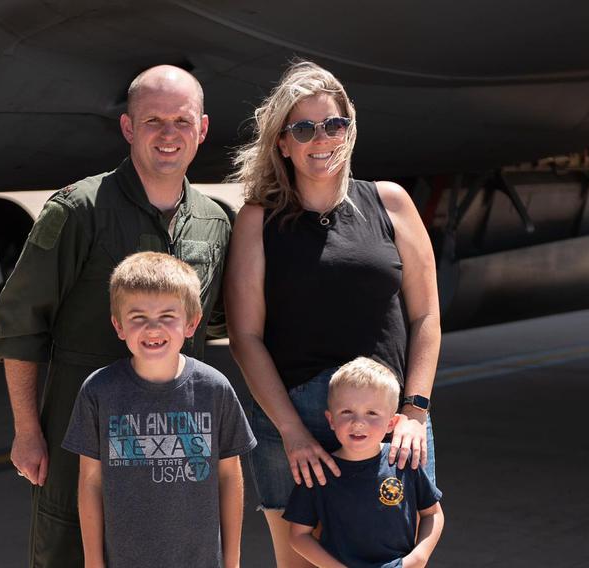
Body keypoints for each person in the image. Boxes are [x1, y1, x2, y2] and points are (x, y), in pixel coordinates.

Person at [0, 65, 231, 567]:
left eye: (182, 121)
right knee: (71, 547)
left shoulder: (214, 222)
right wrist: (27, 430)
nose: (169, 134)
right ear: (128, 127)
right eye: (153, 121)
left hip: (177, 441)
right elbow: (20, 327)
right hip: (83, 429)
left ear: (202, 129)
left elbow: (220, 324)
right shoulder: (80, 209)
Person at [226, 60, 441, 567]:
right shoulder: (258, 221)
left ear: (350, 128)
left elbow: (426, 317)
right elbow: (245, 337)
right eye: (303, 128)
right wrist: (291, 432)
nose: (321, 138)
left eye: (334, 124)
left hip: (388, 421)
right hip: (294, 420)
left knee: (397, 558)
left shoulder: (392, 203)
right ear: (282, 142)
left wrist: (413, 412)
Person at [62, 252, 256, 568]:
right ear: (118, 325)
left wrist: (232, 561)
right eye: (138, 317)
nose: (153, 328)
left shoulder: (214, 389)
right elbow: (91, 481)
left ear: (192, 323)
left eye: (168, 316)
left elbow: (229, 477)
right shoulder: (98, 391)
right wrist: (93, 562)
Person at [283, 357, 444, 568]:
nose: (358, 422)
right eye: (347, 412)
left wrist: (418, 558)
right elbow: (298, 535)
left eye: (372, 413)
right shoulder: (318, 472)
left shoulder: (403, 462)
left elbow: (433, 514)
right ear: (331, 420)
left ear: (391, 423)